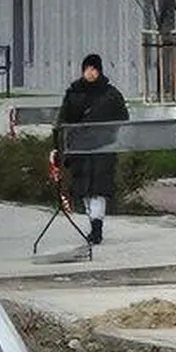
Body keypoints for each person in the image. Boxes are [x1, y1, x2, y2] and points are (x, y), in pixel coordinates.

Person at [53, 52, 129, 245]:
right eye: (88, 68)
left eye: (94, 69)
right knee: (85, 191)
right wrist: (61, 145)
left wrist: (108, 135)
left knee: (98, 190)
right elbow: (64, 120)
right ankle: (93, 223)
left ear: (99, 70)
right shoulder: (74, 93)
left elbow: (122, 118)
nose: (91, 72)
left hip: (102, 149)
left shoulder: (111, 95)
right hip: (80, 150)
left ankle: (97, 229)